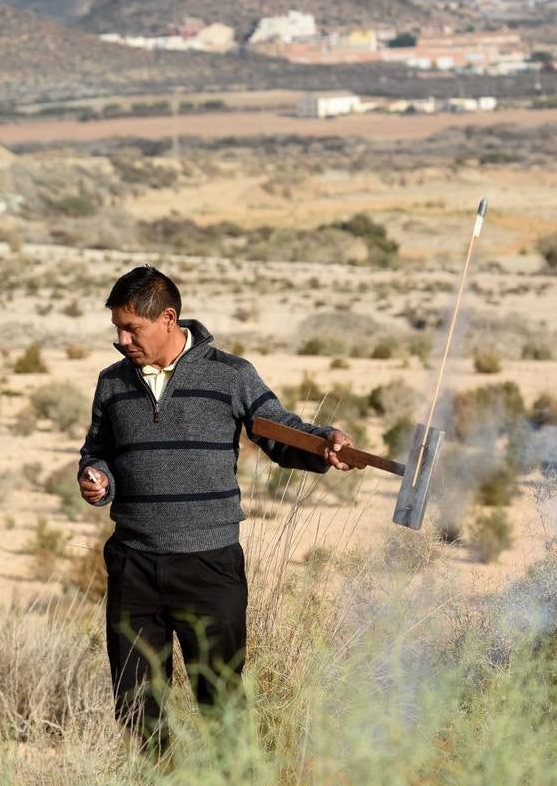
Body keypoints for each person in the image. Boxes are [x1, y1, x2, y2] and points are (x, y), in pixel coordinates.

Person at [77, 265, 354, 750]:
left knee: (220, 702)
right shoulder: (111, 382)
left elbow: (276, 428)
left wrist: (322, 443)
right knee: (136, 703)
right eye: (116, 329)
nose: (121, 340)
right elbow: (97, 449)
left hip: (210, 566)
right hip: (132, 565)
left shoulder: (231, 374)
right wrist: (96, 476)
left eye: (131, 329)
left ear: (168, 318)